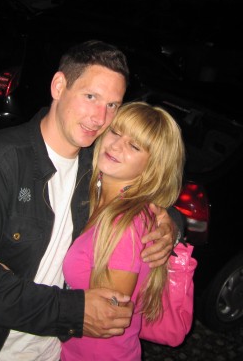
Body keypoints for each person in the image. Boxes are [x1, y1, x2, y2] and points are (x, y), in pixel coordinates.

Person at [0, 40, 183, 361]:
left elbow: (141, 189)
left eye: (112, 105)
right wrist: (73, 311)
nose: (99, 117)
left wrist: (172, 225)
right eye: (90, 97)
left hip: (49, 352)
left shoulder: (95, 167)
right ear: (59, 86)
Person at [60, 101, 185, 360]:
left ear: (153, 166)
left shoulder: (124, 225)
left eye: (134, 146)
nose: (116, 145)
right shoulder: (101, 198)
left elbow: (105, 319)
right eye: (115, 132)